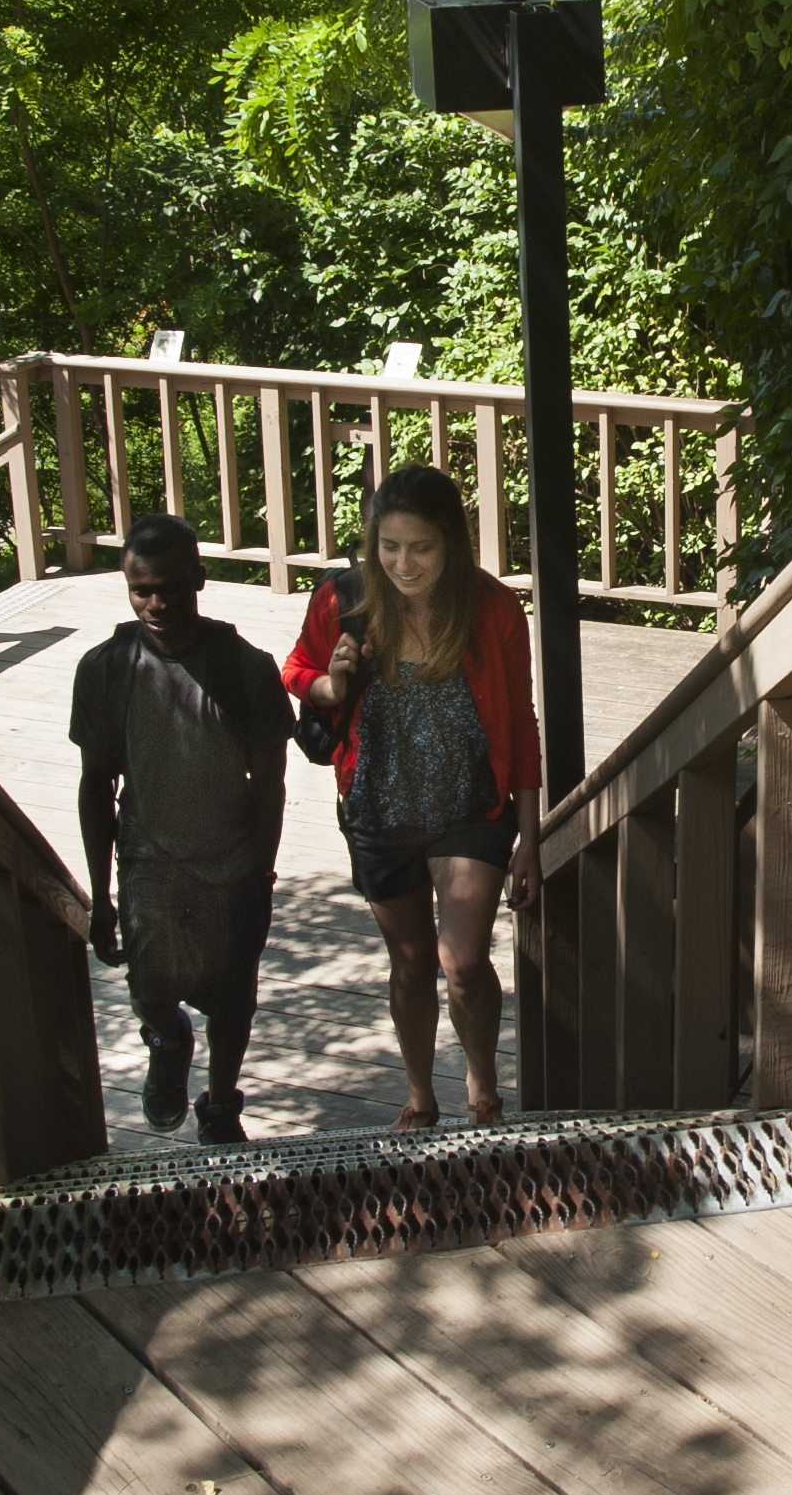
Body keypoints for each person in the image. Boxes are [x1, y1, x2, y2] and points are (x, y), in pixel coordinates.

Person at [286, 463, 540, 1130]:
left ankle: (482, 1089)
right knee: (410, 962)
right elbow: (298, 674)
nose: (402, 563)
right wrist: (334, 686)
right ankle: (420, 1096)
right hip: (379, 807)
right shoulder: (343, 600)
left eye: (420, 547)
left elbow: (520, 721)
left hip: (470, 808)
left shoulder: (492, 608)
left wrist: (530, 842)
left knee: (462, 962)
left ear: (451, 543)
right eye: (388, 546)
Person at [69, 514, 291, 1143]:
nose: (156, 603)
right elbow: (96, 784)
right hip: (148, 856)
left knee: (233, 995)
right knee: (149, 985)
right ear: (126, 586)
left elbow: (268, 783)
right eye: (141, 589)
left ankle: (220, 1106)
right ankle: (166, 1037)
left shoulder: (246, 668)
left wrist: (262, 872)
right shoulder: (108, 668)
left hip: (229, 859)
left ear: (199, 578)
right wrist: (101, 895)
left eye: (170, 586)